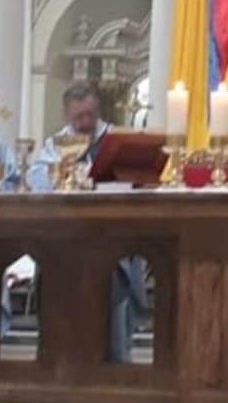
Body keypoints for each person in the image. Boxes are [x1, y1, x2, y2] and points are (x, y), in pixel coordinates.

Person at [28, 81, 147, 363]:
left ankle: (117, 365)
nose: (84, 122)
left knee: (113, 303)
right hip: (65, 240)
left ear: (97, 111)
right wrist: (62, 172)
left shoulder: (115, 139)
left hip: (110, 237)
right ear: (67, 116)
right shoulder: (56, 144)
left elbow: (133, 177)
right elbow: (37, 179)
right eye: (78, 117)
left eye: (89, 115)